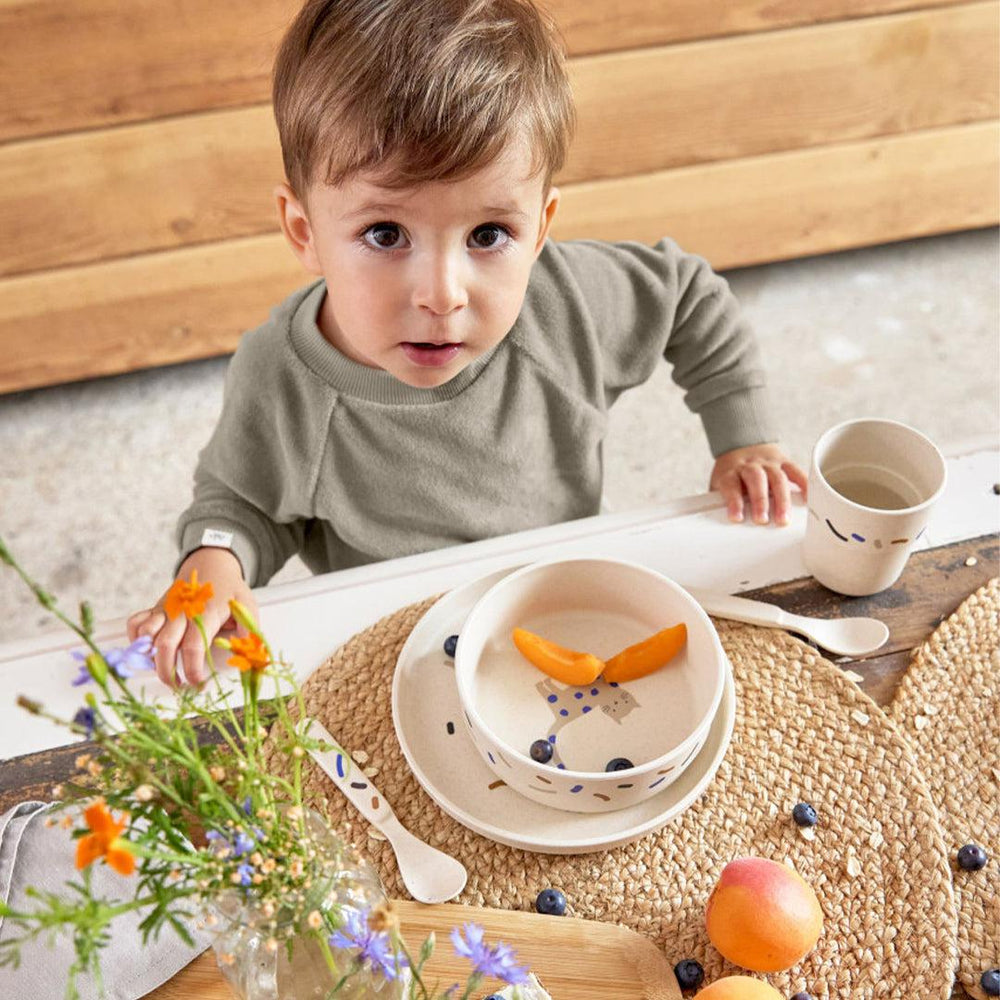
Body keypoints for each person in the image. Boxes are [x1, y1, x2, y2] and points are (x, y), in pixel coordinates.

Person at [128, 0, 807, 687]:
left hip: (563, 608)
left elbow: (688, 296)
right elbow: (241, 503)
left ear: (539, 229)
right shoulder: (282, 375)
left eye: (488, 235)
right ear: (304, 232)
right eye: (386, 234)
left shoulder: (565, 303)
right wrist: (216, 561)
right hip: (395, 648)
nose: (442, 294)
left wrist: (743, 437)